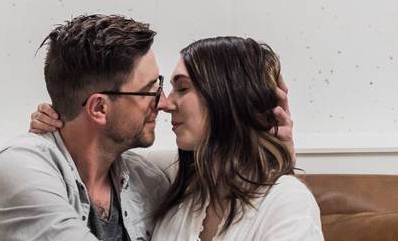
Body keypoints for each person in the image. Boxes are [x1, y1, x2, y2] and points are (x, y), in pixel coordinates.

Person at [31, 36, 323, 240]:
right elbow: (104, 152)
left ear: (226, 96)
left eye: (182, 88)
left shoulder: (286, 203)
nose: (166, 103)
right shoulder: (181, 201)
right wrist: (64, 128)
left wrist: (275, 157)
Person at [0, 14, 171, 241]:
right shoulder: (19, 166)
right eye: (150, 91)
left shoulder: (149, 181)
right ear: (99, 108)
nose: (164, 103)